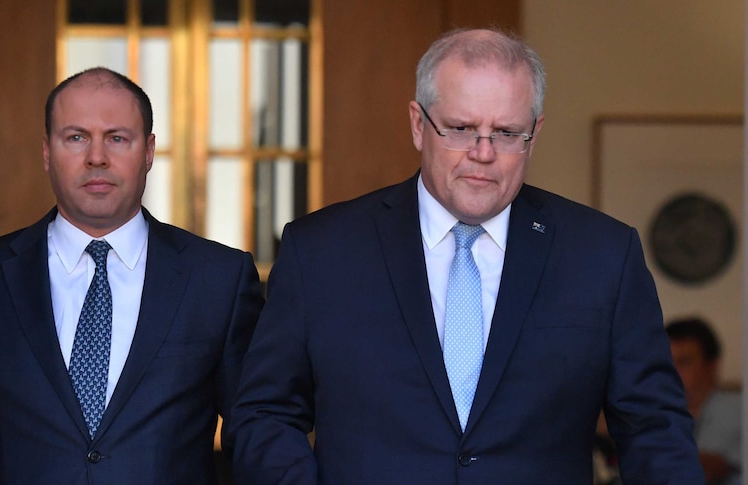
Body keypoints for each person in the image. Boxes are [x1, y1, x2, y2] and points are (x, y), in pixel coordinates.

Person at [230, 28, 703, 483]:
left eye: (505, 132)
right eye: (460, 128)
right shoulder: (322, 251)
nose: (483, 152)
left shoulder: (602, 255)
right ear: (419, 125)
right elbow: (266, 415)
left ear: (534, 135)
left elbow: (654, 430)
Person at [0, 67, 264, 484]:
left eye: (116, 138)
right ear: (46, 152)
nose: (96, 157)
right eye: (76, 137)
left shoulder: (219, 280)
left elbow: (258, 434)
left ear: (148, 152)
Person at [667, 317, 741, 484]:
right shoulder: (664, 413)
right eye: (666, 363)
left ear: (712, 365)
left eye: (683, 362)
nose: (672, 372)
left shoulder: (735, 407)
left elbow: (706, 468)